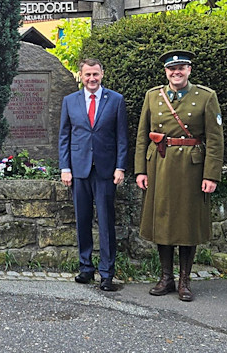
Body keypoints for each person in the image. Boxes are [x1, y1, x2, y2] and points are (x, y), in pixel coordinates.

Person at [135, 50, 223, 301]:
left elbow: (215, 140)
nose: (177, 72)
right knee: (162, 219)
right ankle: (166, 278)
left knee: (187, 222)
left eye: (182, 68)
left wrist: (211, 175)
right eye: (172, 69)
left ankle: (185, 280)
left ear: (189, 70)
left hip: (191, 168)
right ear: (166, 72)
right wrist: (140, 170)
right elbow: (142, 135)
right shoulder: (153, 96)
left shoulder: (206, 97)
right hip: (159, 165)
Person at [59, 59, 128, 291]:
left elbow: (121, 137)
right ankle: (86, 268)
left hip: (106, 170)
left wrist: (120, 167)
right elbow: (64, 137)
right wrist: (65, 168)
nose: (91, 78)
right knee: (83, 220)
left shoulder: (116, 100)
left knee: (106, 222)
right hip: (78, 170)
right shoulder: (70, 101)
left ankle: (107, 273)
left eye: (95, 74)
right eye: (87, 74)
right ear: (81, 75)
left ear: (102, 74)